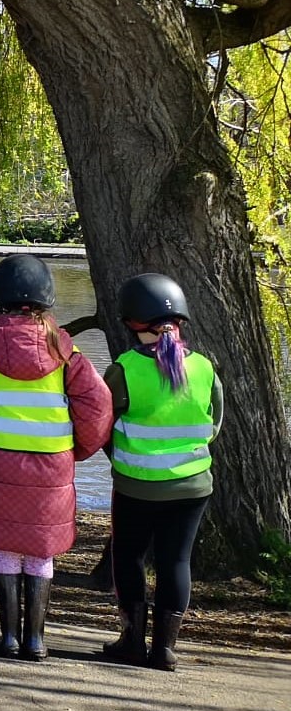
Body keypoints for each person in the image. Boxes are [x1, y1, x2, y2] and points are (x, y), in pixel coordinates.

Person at [0, 255, 111, 660]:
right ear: (46, 301)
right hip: (51, 467)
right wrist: (80, 449)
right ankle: (36, 639)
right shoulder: (66, 354)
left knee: (5, 547)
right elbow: (97, 407)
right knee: (40, 550)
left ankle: (9, 638)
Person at [100, 273, 221, 672]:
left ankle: (132, 641)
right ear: (181, 321)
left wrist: (120, 455)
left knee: (129, 556)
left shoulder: (123, 369)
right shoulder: (204, 367)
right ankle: (165, 649)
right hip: (193, 486)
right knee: (176, 562)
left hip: (136, 485)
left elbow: (102, 423)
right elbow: (213, 423)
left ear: (132, 323)